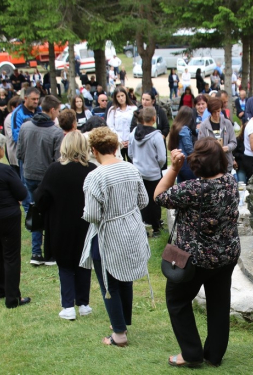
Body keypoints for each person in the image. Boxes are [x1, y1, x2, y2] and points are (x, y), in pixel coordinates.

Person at [154, 138, 241, 367]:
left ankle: (191, 354)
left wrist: (174, 167)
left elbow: (159, 196)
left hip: (195, 259)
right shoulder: (230, 182)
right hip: (226, 254)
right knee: (219, 303)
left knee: (177, 300)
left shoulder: (193, 189)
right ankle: (214, 355)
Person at [79, 127, 151, 348]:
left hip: (108, 233)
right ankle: (121, 322)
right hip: (131, 229)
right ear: (115, 146)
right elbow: (144, 201)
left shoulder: (95, 176)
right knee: (125, 277)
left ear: (94, 150)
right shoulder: (131, 168)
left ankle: (119, 334)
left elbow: (92, 214)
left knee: (109, 283)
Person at [34, 131, 96, 320]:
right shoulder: (91, 169)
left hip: (61, 223)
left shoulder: (54, 170)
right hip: (86, 223)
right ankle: (84, 303)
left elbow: (40, 198)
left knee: (66, 265)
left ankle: (68, 306)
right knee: (84, 262)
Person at [16, 95, 63, 266]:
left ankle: (36, 252)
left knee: (34, 211)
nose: (58, 115)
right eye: (57, 111)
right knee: (50, 213)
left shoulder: (25, 127)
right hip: (47, 178)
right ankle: (49, 253)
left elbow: (19, 153)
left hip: (29, 175)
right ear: (52, 110)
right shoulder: (56, 132)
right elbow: (58, 160)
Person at [0, 133, 30, 309]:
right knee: (11, 256)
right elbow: (22, 193)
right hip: (7, 216)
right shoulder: (4, 170)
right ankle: (12, 297)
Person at [128, 107, 166, 238]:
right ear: (154, 119)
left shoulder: (133, 133)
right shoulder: (157, 136)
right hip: (153, 173)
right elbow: (162, 157)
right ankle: (155, 227)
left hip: (138, 172)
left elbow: (130, 153)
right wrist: (157, 166)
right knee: (154, 200)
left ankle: (144, 224)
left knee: (141, 200)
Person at [198, 98, 237, 174]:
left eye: (218, 111)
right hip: (210, 164)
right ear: (210, 111)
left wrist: (227, 148)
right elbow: (200, 146)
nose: (216, 114)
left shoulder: (227, 123)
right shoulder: (204, 126)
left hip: (226, 163)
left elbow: (234, 142)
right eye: (214, 112)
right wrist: (211, 149)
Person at [106, 87, 137, 162]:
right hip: (118, 143)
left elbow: (136, 125)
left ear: (126, 95)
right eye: (118, 96)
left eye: (122, 95)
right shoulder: (112, 110)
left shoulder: (133, 109)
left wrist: (130, 140)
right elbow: (111, 127)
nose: (121, 98)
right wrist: (120, 140)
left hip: (131, 141)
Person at [168, 106, 198, 183]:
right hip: (186, 165)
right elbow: (189, 148)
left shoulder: (175, 127)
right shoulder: (184, 129)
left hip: (179, 163)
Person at [3, 96, 23, 175]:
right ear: (12, 107)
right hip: (14, 153)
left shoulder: (19, 117)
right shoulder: (10, 118)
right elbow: (13, 137)